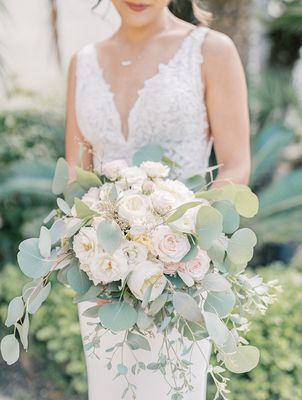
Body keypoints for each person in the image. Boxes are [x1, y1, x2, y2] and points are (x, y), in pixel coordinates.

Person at [65, 1, 251, 399]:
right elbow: (74, 179)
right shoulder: (82, 63)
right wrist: (95, 245)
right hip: (105, 277)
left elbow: (235, 166)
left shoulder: (211, 50)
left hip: (182, 278)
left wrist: (178, 237)